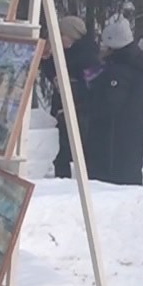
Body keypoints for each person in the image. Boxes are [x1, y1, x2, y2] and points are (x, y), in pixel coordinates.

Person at [88, 17, 143, 186]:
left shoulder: (119, 71)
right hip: (125, 136)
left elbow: (109, 105)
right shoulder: (121, 64)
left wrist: (86, 106)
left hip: (115, 140)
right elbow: (89, 76)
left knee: (115, 185)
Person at [41, 15, 100, 179]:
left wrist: (71, 86)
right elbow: (52, 71)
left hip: (80, 110)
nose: (58, 38)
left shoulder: (88, 56)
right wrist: (46, 61)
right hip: (61, 106)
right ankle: (62, 181)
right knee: (59, 151)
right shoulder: (60, 51)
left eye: (61, 35)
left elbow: (94, 85)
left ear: (71, 36)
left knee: (79, 151)